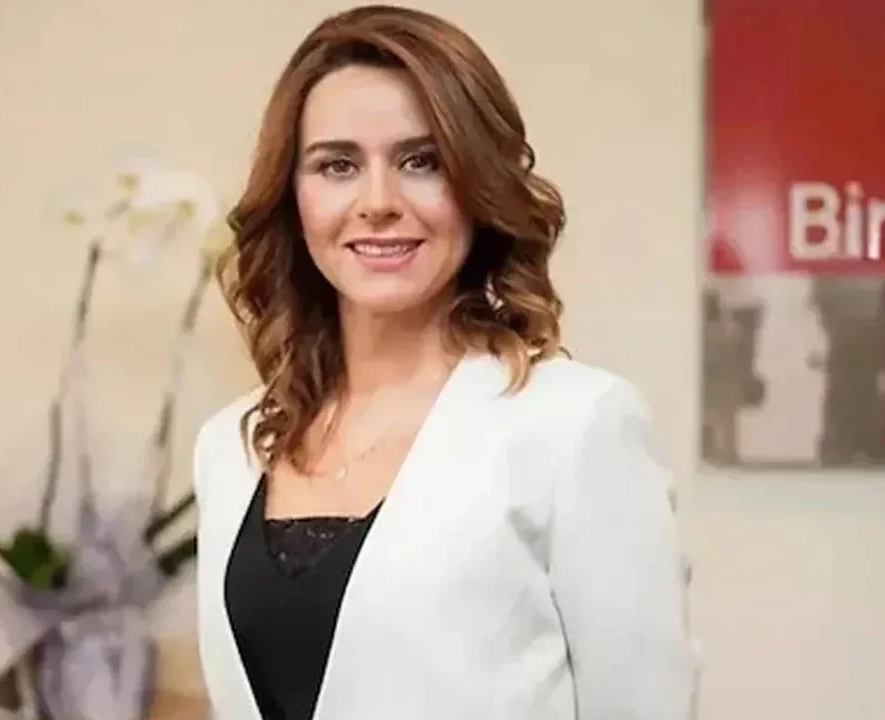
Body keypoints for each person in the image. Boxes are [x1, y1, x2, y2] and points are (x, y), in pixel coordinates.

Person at [191, 5, 698, 719]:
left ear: (478, 188)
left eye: (421, 162)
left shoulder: (575, 426)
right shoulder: (230, 445)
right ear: (293, 196)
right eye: (337, 165)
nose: (378, 202)